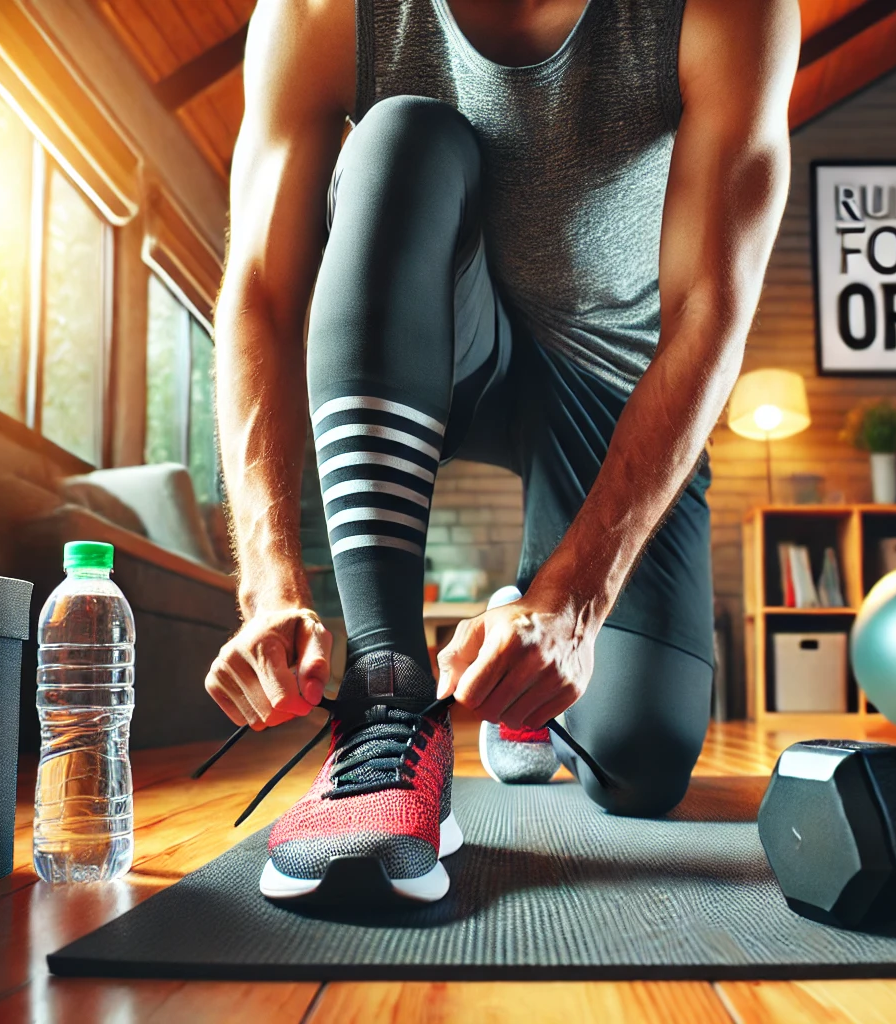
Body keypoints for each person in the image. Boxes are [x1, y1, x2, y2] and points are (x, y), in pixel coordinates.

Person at [206, 0, 799, 906]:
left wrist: (575, 601)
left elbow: (709, 312)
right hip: (447, 338)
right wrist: (269, 585)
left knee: (638, 766)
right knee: (401, 138)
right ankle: (392, 696)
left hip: (618, 385)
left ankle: (524, 616)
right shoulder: (322, 11)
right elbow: (262, 294)